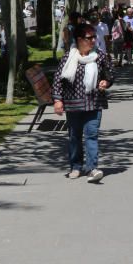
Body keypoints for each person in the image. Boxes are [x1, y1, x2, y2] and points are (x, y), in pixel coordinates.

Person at [52, 22, 113, 183]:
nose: (93, 40)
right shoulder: (68, 57)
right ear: (79, 39)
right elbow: (58, 80)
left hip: (94, 103)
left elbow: (110, 74)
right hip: (73, 104)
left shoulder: (100, 55)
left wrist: (106, 82)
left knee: (91, 135)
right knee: (74, 136)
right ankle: (76, 166)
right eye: (89, 38)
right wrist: (58, 100)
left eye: (94, 37)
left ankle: (92, 168)